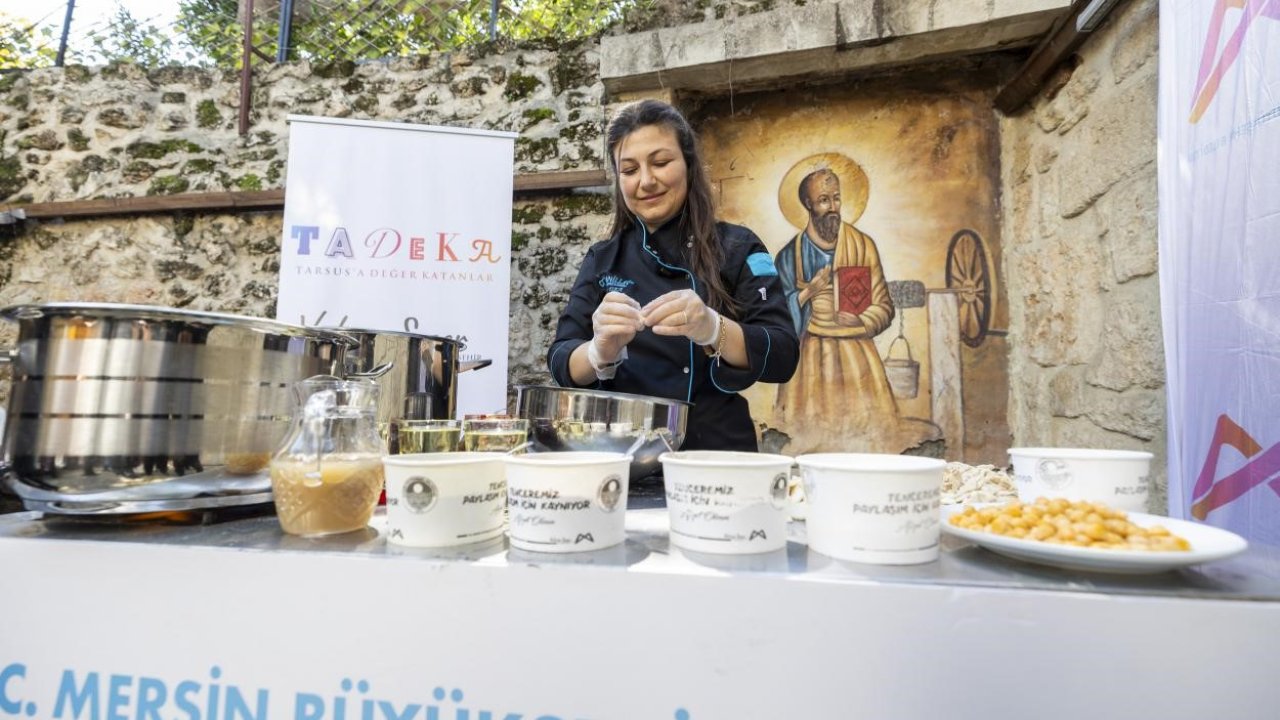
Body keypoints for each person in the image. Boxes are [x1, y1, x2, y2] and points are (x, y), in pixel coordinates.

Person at [547, 99, 799, 452]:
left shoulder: (739, 247)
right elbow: (560, 360)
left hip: (716, 452)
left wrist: (712, 328)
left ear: (688, 164)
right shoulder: (603, 258)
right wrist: (597, 352)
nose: (646, 181)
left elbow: (784, 355)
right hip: (624, 452)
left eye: (661, 162)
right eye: (629, 170)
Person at [774, 166, 899, 451]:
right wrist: (808, 292)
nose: (832, 207)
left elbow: (884, 306)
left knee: (868, 440)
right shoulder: (790, 256)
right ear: (808, 204)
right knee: (806, 441)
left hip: (857, 357)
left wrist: (861, 320)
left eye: (836, 198)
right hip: (809, 360)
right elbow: (776, 318)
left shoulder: (863, 246)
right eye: (823, 200)